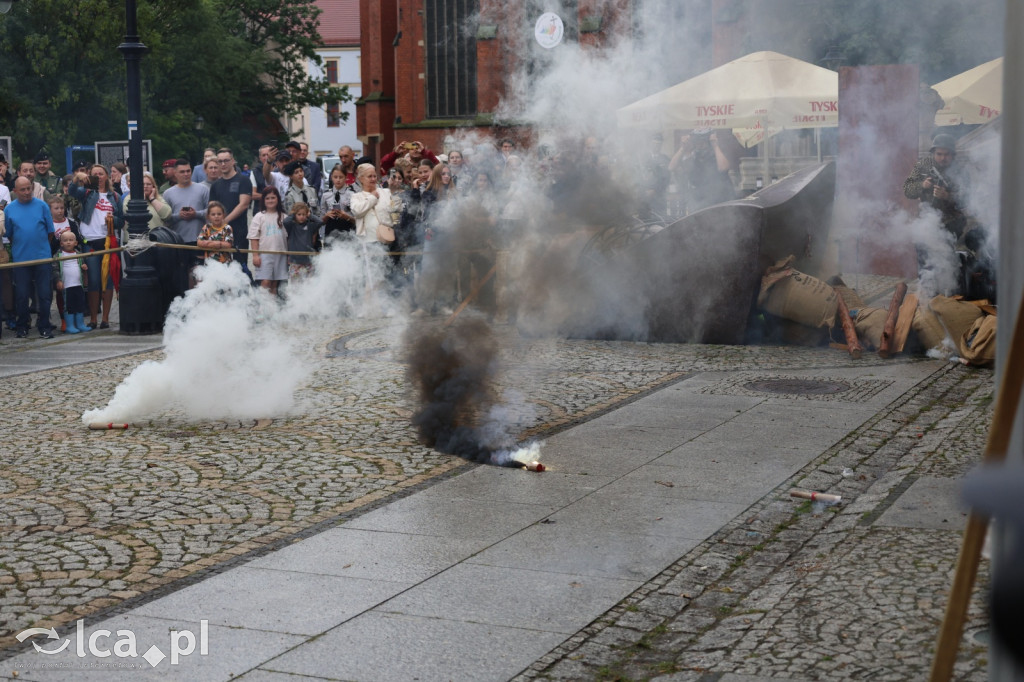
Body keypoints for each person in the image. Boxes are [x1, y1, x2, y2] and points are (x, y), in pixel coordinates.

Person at [66, 164, 124, 329]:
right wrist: (78, 177)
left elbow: (122, 221)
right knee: (93, 281)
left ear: (107, 176)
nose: (98, 176)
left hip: (108, 242)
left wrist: (113, 220)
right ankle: (93, 319)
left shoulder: (115, 196)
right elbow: (71, 191)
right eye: (94, 174)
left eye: (101, 173)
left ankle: (105, 319)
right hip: (90, 242)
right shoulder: (87, 194)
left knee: (108, 281)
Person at [4, 176, 56, 338]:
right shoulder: (9, 209)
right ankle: (23, 325)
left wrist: (41, 248)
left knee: (44, 294)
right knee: (21, 294)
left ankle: (44, 325)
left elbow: (50, 232)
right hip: (21, 259)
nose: (27, 192)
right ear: (15, 191)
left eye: (29, 188)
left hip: (42, 257)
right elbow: (10, 235)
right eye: (23, 190)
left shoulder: (41, 206)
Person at [903, 133, 970, 240]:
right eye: (939, 154)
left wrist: (947, 196)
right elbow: (907, 190)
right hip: (926, 220)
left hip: (952, 222)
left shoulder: (960, 170)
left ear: (952, 154)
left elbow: (968, 200)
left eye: (947, 154)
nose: (943, 158)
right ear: (933, 153)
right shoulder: (923, 165)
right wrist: (922, 185)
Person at [163, 158, 210, 277]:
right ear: (175, 173)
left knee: (199, 274)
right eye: (182, 172)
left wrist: (196, 214)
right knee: (181, 274)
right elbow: (165, 218)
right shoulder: (168, 193)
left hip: (199, 239)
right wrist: (178, 216)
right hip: (178, 240)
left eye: (188, 171)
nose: (186, 174)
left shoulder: (203, 189)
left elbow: (212, 212)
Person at [210, 148, 252, 274]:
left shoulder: (243, 180)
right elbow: (211, 208)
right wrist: (217, 224)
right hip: (219, 234)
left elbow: (243, 204)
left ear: (233, 161)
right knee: (221, 271)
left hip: (238, 233)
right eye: (220, 161)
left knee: (240, 270)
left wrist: (224, 221)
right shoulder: (215, 184)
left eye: (226, 160)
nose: (223, 164)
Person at [49, 195, 82, 332]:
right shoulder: (50, 224)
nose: (60, 211)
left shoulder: (71, 222)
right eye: (56, 208)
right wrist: (59, 238)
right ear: (50, 210)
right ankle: (64, 320)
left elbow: (78, 239)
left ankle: (78, 321)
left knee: (77, 293)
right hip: (59, 262)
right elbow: (50, 245)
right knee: (62, 294)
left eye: (62, 208)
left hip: (73, 260)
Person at [248, 186, 288, 296]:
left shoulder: (284, 217)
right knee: (266, 281)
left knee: (275, 283)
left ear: (278, 199)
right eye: (267, 198)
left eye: (273, 198)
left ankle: (272, 309)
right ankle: (262, 307)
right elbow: (254, 237)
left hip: (281, 254)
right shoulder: (259, 216)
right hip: (264, 254)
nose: (270, 200)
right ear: (263, 200)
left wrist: (289, 256)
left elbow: (288, 238)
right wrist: (255, 255)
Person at [52, 230, 90, 334]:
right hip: (67, 286)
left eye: (71, 240)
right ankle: (70, 325)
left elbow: (83, 267)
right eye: (65, 240)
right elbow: (55, 269)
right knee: (68, 306)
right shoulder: (58, 255)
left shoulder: (79, 254)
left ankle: (80, 324)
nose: (68, 242)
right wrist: (58, 281)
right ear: (61, 243)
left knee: (80, 305)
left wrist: (84, 267)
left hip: (78, 284)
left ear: (76, 243)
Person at [283, 202, 320, 281]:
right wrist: (293, 214)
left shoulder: (310, 226)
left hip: (308, 261)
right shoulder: (291, 226)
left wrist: (310, 215)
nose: (302, 217)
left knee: (309, 284)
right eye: (299, 214)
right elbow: (285, 222)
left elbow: (319, 222)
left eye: (304, 214)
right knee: (295, 286)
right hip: (295, 261)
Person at [319, 164, 357, 242]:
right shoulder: (326, 195)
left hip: (347, 229)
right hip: (331, 228)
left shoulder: (352, 194)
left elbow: (357, 220)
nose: (338, 180)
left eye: (341, 177)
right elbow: (321, 221)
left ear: (346, 178)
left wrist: (347, 216)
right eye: (335, 177)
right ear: (331, 178)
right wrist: (326, 216)